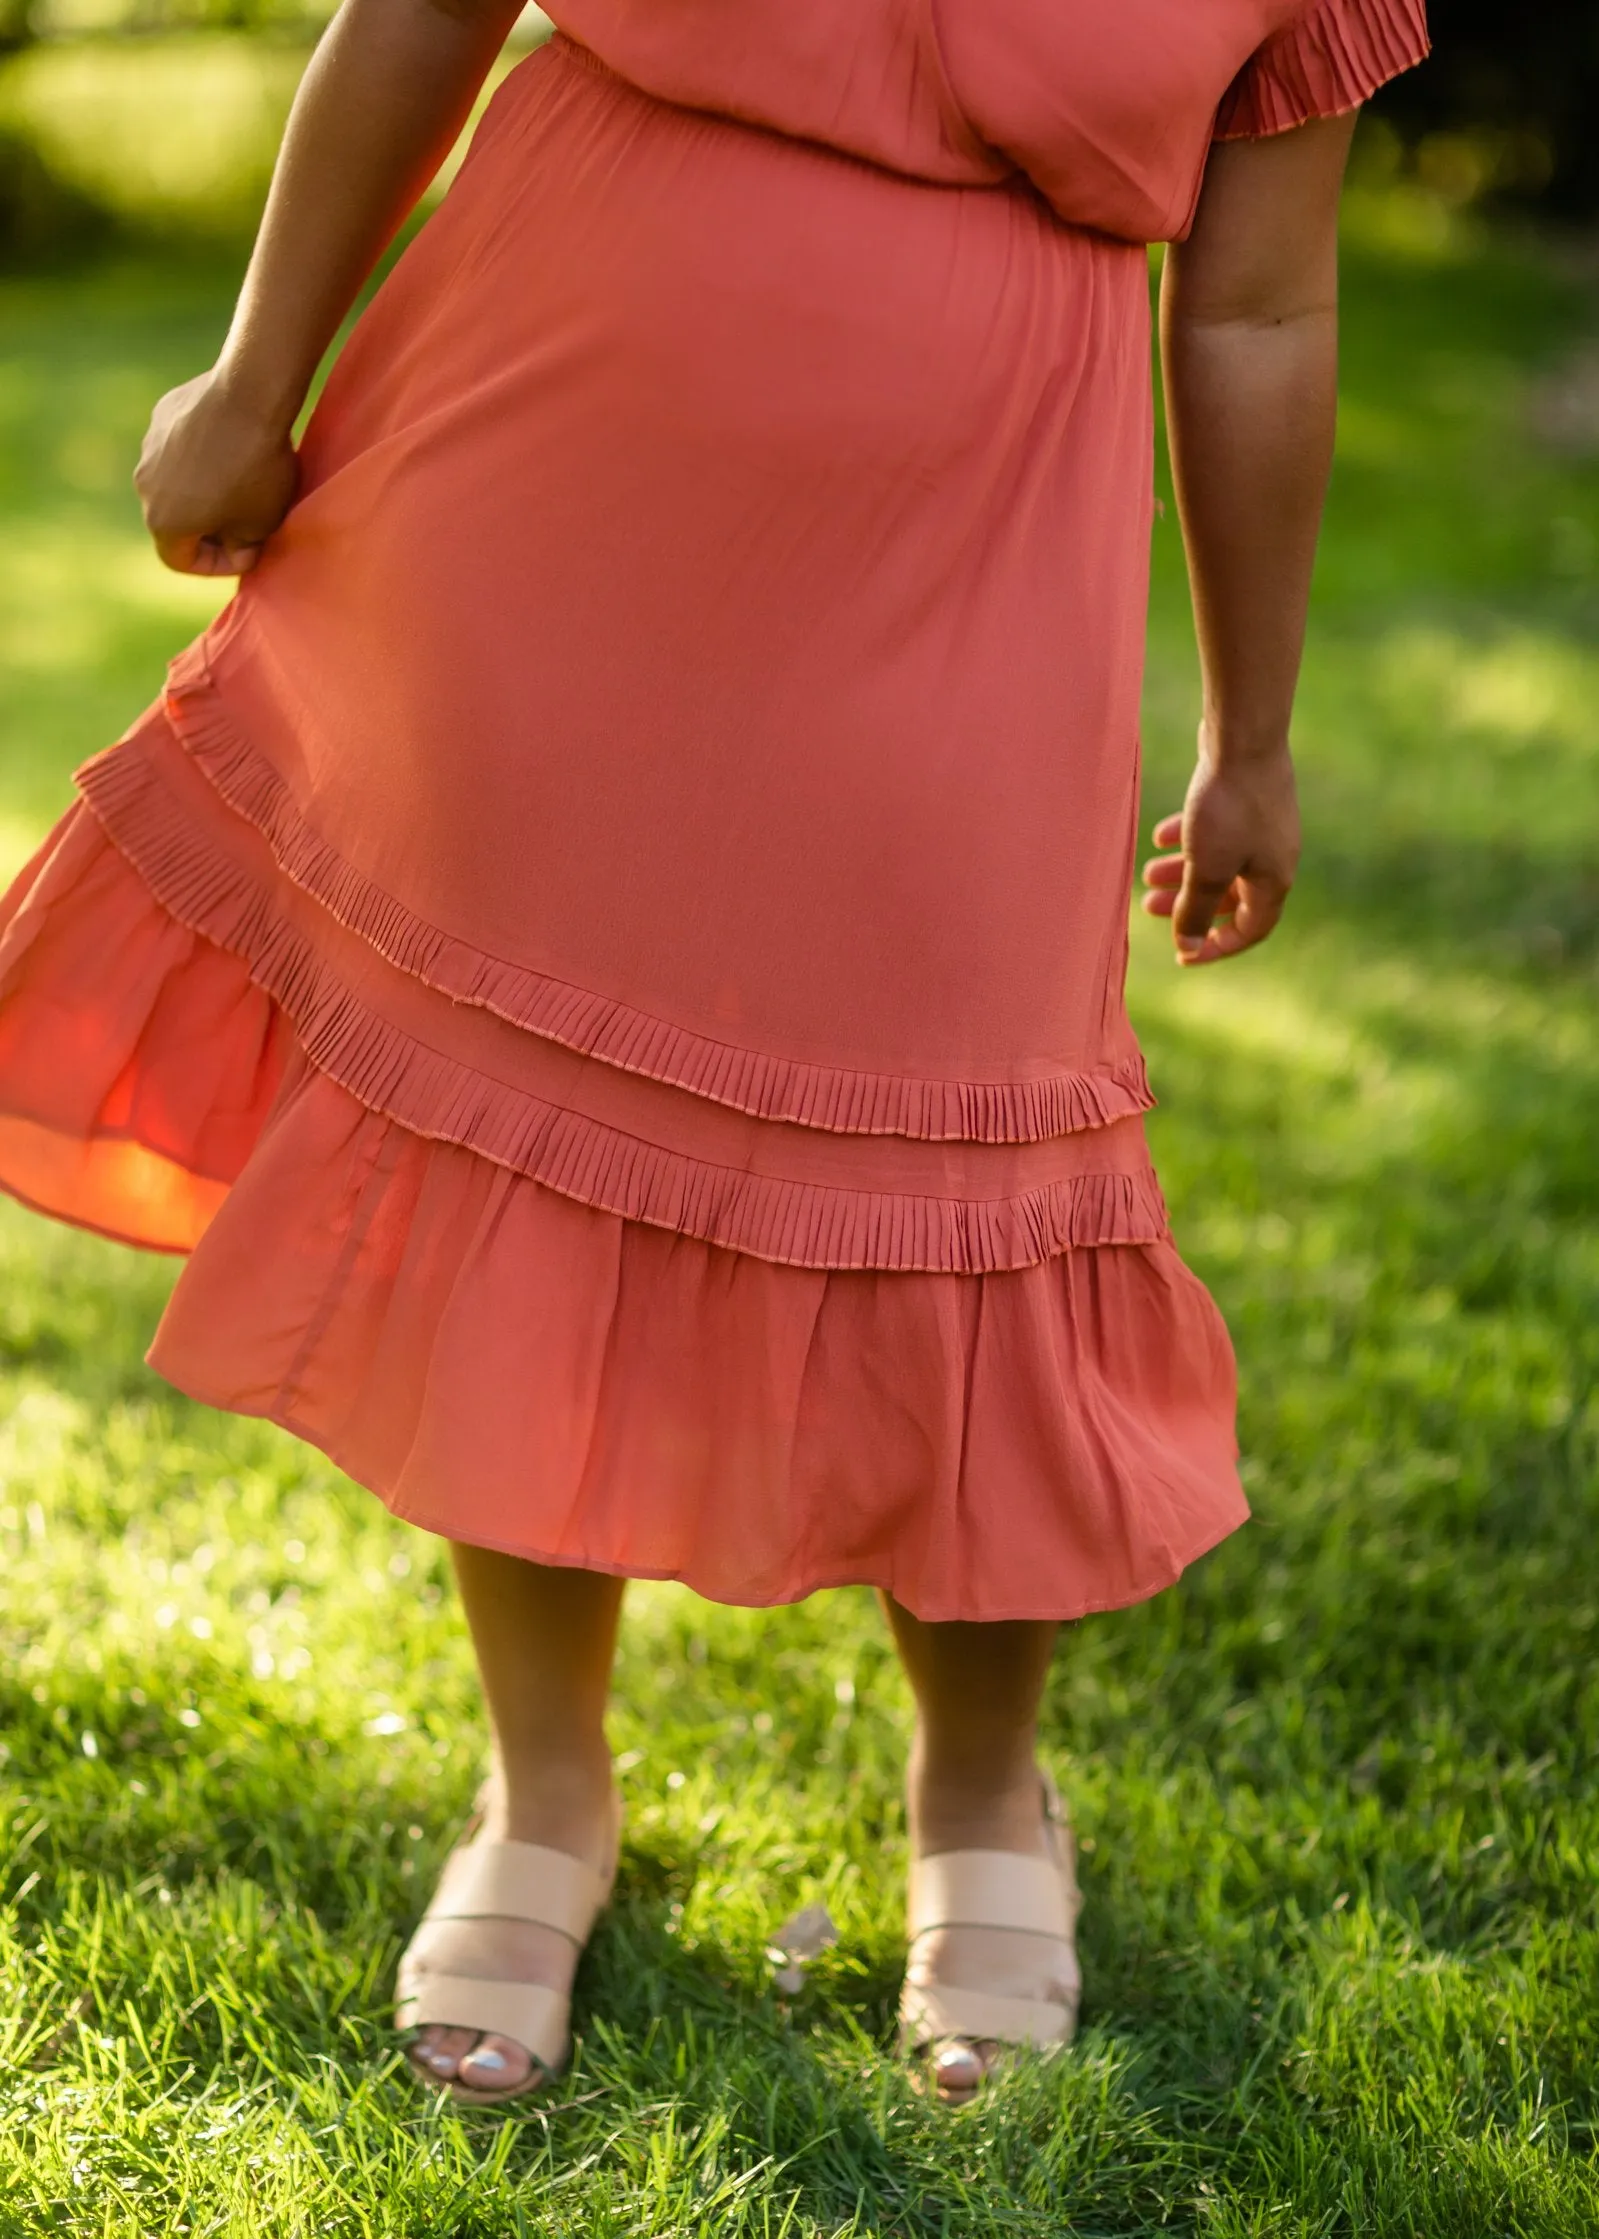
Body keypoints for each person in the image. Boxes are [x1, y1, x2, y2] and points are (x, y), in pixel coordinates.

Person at [0, 0, 1428, 2106]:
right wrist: (254, 370)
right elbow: (421, 14)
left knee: (969, 1144)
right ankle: (546, 1794)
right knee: (537, 1112)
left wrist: (1251, 732)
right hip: (544, 453)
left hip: (976, 541)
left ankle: (981, 1797)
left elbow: (1256, 309)